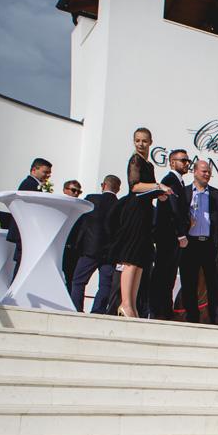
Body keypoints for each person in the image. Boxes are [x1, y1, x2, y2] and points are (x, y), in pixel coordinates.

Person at [109, 128, 171, 318]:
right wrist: (158, 186)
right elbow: (135, 186)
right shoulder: (135, 160)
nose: (141, 144)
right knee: (131, 258)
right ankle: (125, 303)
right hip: (134, 211)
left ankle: (132, 305)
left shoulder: (148, 164)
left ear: (150, 142)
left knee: (140, 261)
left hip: (145, 212)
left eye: (144, 141)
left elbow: (147, 189)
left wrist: (159, 194)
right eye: (137, 140)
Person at [176, 160, 218, 324]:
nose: (207, 174)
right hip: (190, 244)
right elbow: (177, 216)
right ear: (195, 172)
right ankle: (191, 317)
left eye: (208, 172)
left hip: (210, 244)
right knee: (189, 282)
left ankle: (216, 320)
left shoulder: (216, 194)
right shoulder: (185, 192)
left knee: (214, 283)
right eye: (204, 171)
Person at [68, 175, 121, 313]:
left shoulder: (91, 199)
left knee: (78, 281)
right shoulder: (120, 205)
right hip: (110, 253)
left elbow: (81, 222)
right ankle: (98, 311)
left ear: (103, 185)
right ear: (118, 189)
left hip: (90, 249)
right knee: (105, 285)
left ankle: (76, 310)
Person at [149, 149, 191, 320]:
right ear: (172, 162)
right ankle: (158, 310)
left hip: (171, 235)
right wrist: (181, 234)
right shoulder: (170, 180)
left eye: (188, 161)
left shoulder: (178, 181)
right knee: (163, 272)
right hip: (168, 235)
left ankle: (165, 309)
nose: (187, 163)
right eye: (183, 160)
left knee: (170, 274)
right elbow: (173, 208)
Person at [7, 158, 52, 264]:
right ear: (34, 170)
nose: (48, 175)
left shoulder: (33, 184)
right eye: (45, 172)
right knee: (23, 262)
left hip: (26, 230)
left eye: (49, 173)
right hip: (25, 230)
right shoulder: (29, 185)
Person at [60, 179, 84, 283]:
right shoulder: (59, 205)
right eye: (73, 190)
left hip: (73, 248)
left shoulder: (80, 208)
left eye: (79, 192)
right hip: (60, 247)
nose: (76, 193)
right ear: (65, 190)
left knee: (71, 278)